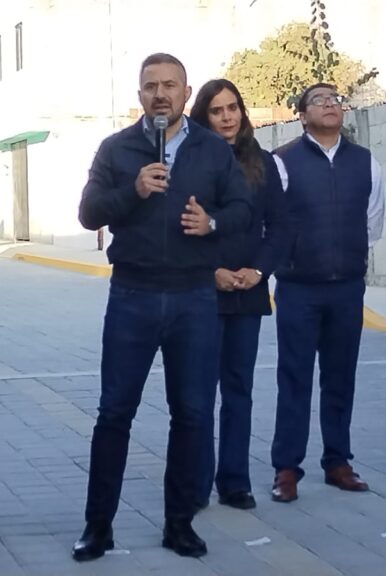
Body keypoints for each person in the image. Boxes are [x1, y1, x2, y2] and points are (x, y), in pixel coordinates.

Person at [73, 53, 252, 562]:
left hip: (195, 296)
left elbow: (243, 209)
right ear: (139, 94)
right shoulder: (117, 149)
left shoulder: (213, 152)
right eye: (151, 85)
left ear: (184, 91)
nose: (160, 94)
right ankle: (98, 527)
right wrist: (132, 191)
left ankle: (179, 523)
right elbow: (88, 214)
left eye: (170, 85)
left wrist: (211, 224)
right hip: (133, 295)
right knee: (114, 414)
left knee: (192, 414)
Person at [269, 83, 385, 503]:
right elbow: (274, 223)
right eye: (319, 100)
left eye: (335, 99)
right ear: (302, 115)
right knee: (295, 379)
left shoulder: (365, 162)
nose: (330, 104)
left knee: (341, 378)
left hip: (346, 288)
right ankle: (286, 468)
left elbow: (373, 223)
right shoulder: (282, 162)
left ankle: (338, 461)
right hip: (298, 288)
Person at [190, 79, 290, 511]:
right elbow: (177, 227)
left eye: (233, 108)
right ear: (203, 116)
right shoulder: (189, 161)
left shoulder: (262, 164)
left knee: (238, 389)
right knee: (196, 392)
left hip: (247, 292)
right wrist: (208, 272)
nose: (227, 117)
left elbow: (282, 228)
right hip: (200, 291)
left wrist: (259, 271)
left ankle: (234, 480)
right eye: (217, 110)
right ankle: (193, 483)